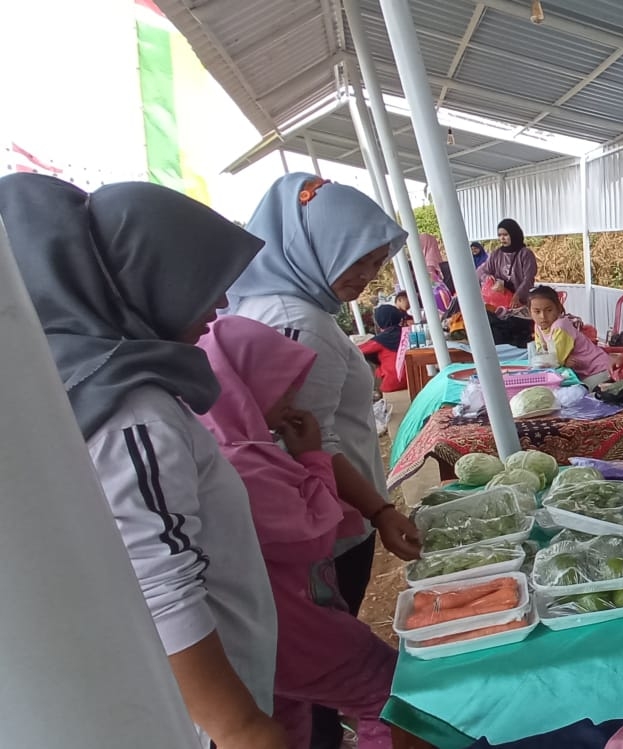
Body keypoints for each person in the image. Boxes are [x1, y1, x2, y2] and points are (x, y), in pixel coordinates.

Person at [0, 174, 285, 748]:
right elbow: (158, 583)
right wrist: (241, 727)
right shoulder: (131, 408)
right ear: (138, 280)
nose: (223, 302)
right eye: (199, 279)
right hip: (204, 722)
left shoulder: (63, 389)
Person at [226, 173, 421, 749]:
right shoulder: (297, 322)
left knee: (299, 686)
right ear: (314, 248)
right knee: (338, 677)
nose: (366, 279)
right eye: (355, 262)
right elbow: (309, 441)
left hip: (317, 526)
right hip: (321, 531)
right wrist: (381, 511)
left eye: (374, 264)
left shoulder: (295, 306)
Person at [195, 316, 397, 749]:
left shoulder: (238, 450)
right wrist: (312, 458)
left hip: (268, 637)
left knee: (289, 722)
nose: (293, 398)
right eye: (283, 386)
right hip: (296, 630)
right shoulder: (244, 466)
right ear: (245, 388)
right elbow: (315, 536)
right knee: (389, 694)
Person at [530, 285, 613, 387]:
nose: (542, 316)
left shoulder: (560, 326)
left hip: (599, 370)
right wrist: (561, 360)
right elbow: (541, 354)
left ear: (558, 308)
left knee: (580, 395)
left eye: (549, 310)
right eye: (537, 312)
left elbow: (555, 361)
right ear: (530, 312)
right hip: (582, 373)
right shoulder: (538, 326)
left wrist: (561, 361)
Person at [479, 218, 537, 311]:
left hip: (520, 303)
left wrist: (517, 295)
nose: (502, 238)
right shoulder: (496, 254)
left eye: (505, 235)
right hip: (499, 302)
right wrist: (490, 279)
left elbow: (528, 279)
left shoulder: (525, 254)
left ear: (513, 234)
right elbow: (482, 272)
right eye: (499, 235)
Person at [358, 304, 408, 393]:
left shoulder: (380, 341)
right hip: (417, 380)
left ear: (380, 321)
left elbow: (355, 351)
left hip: (393, 384)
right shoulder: (409, 332)